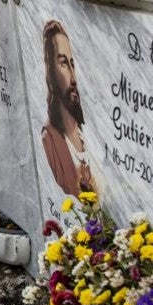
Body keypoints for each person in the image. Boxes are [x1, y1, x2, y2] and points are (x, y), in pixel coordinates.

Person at [39, 20, 97, 196]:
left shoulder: (85, 133)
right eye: (63, 63)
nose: (73, 78)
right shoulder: (50, 139)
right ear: (50, 71)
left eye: (73, 63)